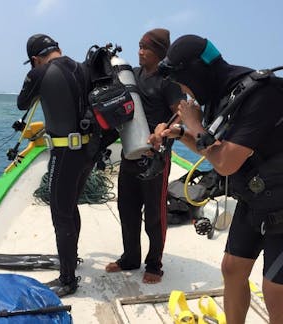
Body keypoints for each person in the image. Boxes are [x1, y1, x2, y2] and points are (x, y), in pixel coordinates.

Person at [150, 35, 283, 323]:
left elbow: (226, 163)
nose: (183, 91)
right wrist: (182, 133)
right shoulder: (223, 96)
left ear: (196, 72)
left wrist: (193, 124)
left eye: (183, 82)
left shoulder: (260, 95)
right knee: (232, 269)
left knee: (275, 294)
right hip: (255, 200)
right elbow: (215, 150)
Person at [17, 34, 99, 297]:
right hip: (87, 152)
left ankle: (67, 280)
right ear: (59, 48)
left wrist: (34, 74)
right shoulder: (82, 67)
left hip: (64, 153)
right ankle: (70, 260)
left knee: (60, 213)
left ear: (34, 58)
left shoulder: (39, 72)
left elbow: (22, 103)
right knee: (70, 206)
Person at [105, 28, 186, 284]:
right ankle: (130, 258)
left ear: (160, 53)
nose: (140, 51)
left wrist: (164, 130)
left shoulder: (169, 81)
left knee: (154, 213)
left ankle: (154, 264)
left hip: (156, 157)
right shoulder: (133, 76)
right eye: (139, 46)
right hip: (130, 152)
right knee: (126, 208)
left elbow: (182, 113)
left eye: (146, 48)